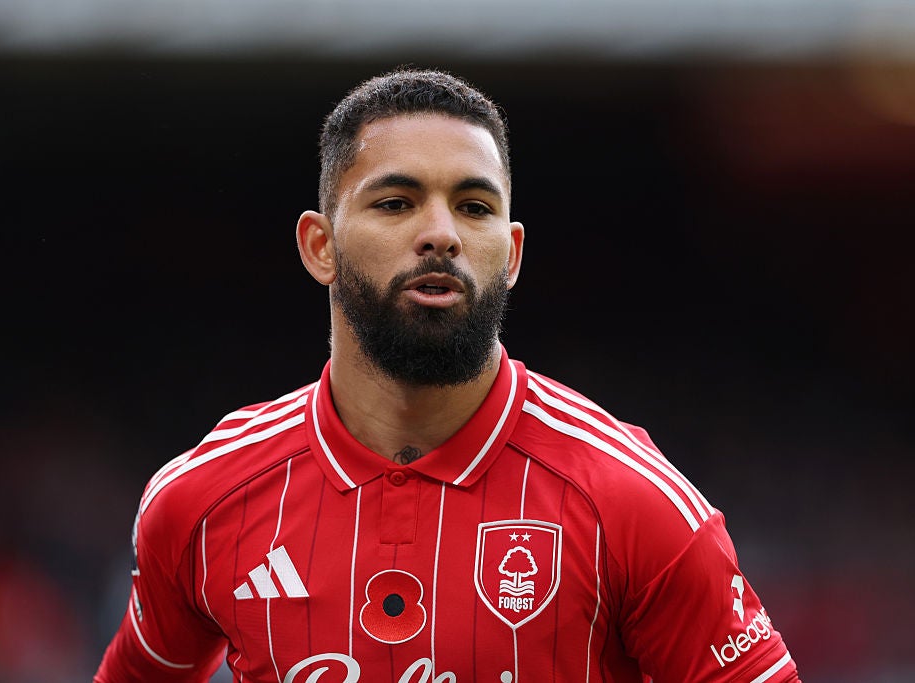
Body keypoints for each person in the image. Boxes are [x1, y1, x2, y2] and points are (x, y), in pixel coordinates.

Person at [94, 66, 802, 683]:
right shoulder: (201, 499)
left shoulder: (632, 500)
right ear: (319, 246)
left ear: (511, 253)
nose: (442, 233)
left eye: (474, 206)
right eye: (396, 203)